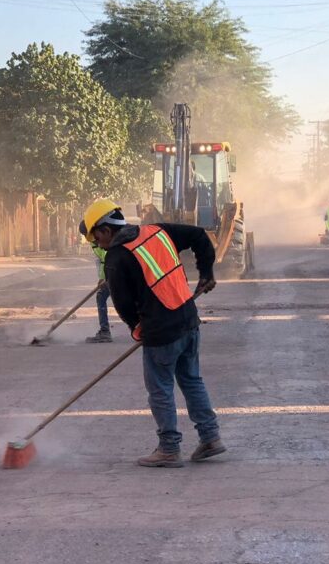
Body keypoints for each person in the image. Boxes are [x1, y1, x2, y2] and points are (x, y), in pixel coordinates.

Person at [81, 199, 226, 468]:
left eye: (95, 239)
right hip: (188, 319)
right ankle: (210, 438)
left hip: (161, 333)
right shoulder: (156, 231)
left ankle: (169, 449)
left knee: (160, 389)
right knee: (192, 381)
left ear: (104, 230)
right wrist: (206, 272)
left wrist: (138, 328)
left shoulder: (116, 255)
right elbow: (198, 235)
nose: (97, 245)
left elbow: (123, 304)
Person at [79, 220, 113, 343]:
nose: (86, 238)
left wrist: (107, 277)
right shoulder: (94, 243)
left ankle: (105, 332)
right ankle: (105, 331)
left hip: (115, 273)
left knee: (126, 300)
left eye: (86, 234)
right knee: (101, 297)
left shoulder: (105, 240)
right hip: (107, 275)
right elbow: (100, 261)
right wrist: (101, 278)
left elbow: (110, 259)